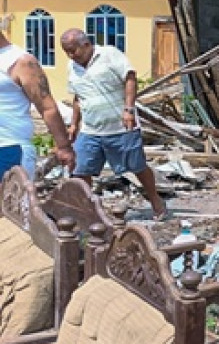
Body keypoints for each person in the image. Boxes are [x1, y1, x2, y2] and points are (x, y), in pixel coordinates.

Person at [60, 28, 167, 219]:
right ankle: (88, 211)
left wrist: (128, 109)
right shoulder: (72, 67)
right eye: (66, 51)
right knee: (80, 169)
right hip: (90, 130)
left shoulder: (109, 54)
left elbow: (130, 78)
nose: (70, 55)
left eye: (73, 50)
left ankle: (156, 201)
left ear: (86, 45)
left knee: (137, 166)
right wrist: (74, 124)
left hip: (120, 127)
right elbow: (78, 97)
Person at [0, 14, 75, 180]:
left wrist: (63, 147)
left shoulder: (20, 62)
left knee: (12, 205)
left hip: (10, 148)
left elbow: (47, 107)